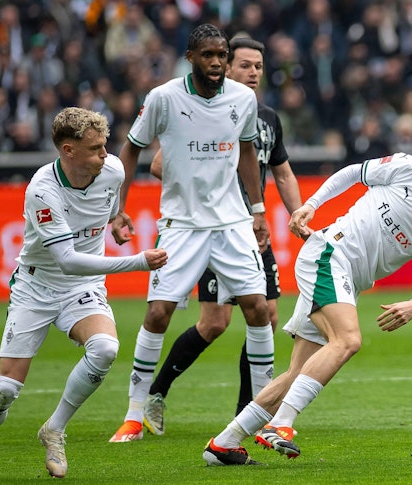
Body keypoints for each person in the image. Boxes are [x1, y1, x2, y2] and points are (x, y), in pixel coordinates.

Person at [201, 115, 412, 466]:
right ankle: (281, 424)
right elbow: (351, 174)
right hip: (330, 253)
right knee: (347, 340)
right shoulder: (406, 168)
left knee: (297, 374)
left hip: (350, 280)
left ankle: (223, 444)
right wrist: (311, 204)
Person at [0, 107, 168, 481]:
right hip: (37, 286)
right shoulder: (42, 191)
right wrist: (138, 262)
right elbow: (68, 260)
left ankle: (54, 429)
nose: (105, 155)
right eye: (95, 149)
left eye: (105, 146)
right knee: (5, 390)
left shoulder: (113, 170)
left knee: (105, 348)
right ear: (68, 150)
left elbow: (107, 209)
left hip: (82, 287)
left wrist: (117, 220)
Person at [108, 24, 272, 443]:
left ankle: (259, 415)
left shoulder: (243, 99)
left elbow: (249, 151)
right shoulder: (164, 98)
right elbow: (132, 147)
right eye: (208, 55)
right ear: (191, 57)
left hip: (232, 224)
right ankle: (133, 413)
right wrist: (119, 208)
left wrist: (257, 209)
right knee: (158, 312)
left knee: (258, 308)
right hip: (181, 226)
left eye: (221, 54)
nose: (216, 62)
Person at [143, 36, 303, 436]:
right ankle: (156, 393)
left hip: (252, 230)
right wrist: (211, 184)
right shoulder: (203, 109)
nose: (253, 72)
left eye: (259, 66)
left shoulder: (265, 117)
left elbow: (281, 170)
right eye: (245, 65)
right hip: (213, 226)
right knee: (214, 323)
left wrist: (296, 213)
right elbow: (160, 164)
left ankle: (248, 412)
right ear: (226, 68)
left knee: (266, 315)